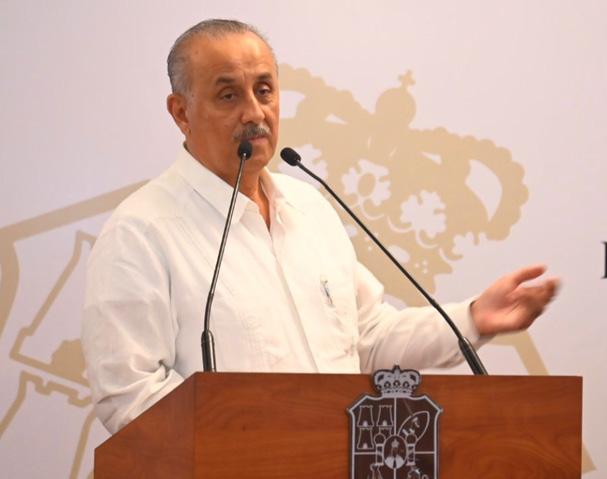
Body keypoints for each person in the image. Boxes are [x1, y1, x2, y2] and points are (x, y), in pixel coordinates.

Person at [81, 19, 558, 434]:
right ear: (181, 112)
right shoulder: (141, 232)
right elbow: (129, 394)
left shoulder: (309, 208)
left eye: (264, 90)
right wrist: (246, 444)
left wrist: (473, 317)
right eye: (228, 95)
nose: (254, 113)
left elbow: (371, 339)